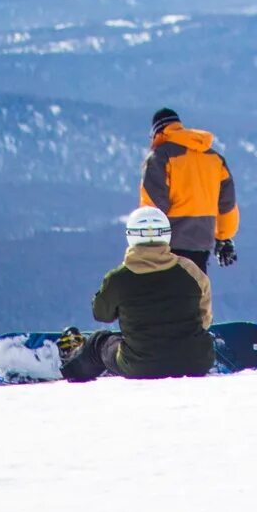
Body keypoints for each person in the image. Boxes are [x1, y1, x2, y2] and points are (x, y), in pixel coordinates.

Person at [60, 206, 216, 381]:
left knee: (99, 342)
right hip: (196, 362)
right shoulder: (191, 271)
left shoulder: (118, 278)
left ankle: (72, 364)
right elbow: (205, 320)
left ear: (130, 236)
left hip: (141, 365)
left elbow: (101, 314)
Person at [140, 107, 239, 273]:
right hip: (202, 245)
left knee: (168, 297)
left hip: (170, 245)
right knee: (196, 294)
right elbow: (227, 204)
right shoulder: (214, 159)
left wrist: (147, 243)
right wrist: (224, 238)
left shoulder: (161, 156)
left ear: (157, 132)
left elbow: (153, 207)